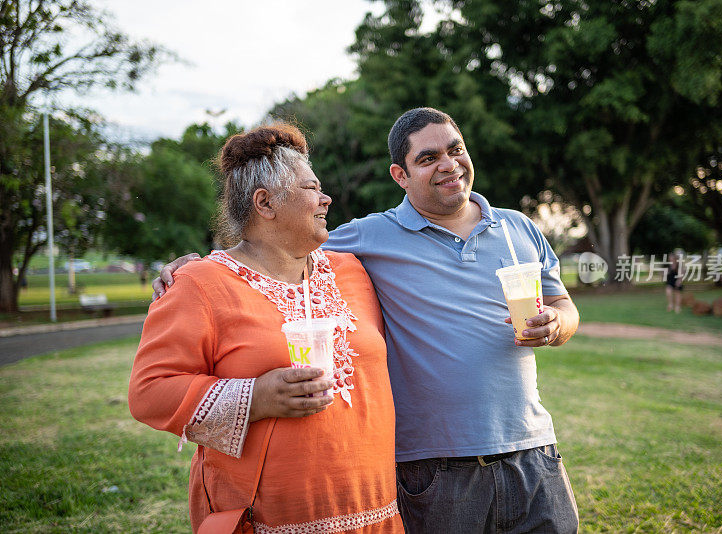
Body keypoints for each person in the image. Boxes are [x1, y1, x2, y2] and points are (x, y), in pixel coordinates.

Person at [155, 108, 581, 533]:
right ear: (400, 175)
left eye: (455, 150)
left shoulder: (518, 228)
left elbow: (564, 305)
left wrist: (557, 323)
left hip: (535, 450)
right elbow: (280, 242)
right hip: (437, 469)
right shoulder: (368, 237)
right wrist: (199, 267)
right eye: (428, 158)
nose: (449, 164)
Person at [129, 124, 402, 533]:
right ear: (265, 203)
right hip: (266, 519)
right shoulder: (200, 283)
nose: (326, 198)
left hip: (378, 513)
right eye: (311, 188)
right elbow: (149, 392)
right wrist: (254, 398)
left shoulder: (353, 269)